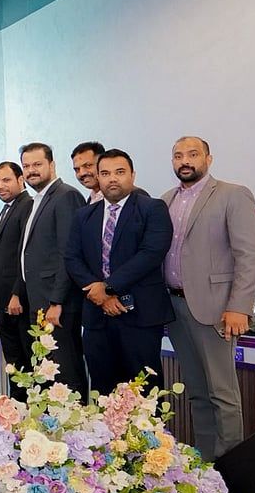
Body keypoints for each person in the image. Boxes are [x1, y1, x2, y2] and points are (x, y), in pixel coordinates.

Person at [162, 136, 255, 460]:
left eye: (193, 154)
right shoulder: (165, 200)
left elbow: (249, 256)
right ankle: (207, 467)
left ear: (208, 158)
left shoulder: (233, 194)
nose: (185, 161)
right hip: (176, 308)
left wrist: (239, 307)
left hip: (217, 309)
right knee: (197, 392)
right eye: (178, 155)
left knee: (222, 394)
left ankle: (231, 468)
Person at [64, 149, 173, 395]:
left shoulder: (152, 208)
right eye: (105, 173)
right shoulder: (83, 216)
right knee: (103, 392)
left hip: (139, 316)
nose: (112, 178)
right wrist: (99, 294)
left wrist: (108, 287)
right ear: (98, 178)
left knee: (143, 393)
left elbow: (150, 254)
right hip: (96, 317)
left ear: (132, 175)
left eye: (119, 172)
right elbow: (72, 258)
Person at [18, 143, 88, 398]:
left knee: (65, 372)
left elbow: (67, 253)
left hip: (56, 304)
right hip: (38, 300)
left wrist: (57, 302)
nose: (31, 170)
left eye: (37, 164)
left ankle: (75, 422)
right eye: (26, 166)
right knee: (48, 373)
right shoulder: (38, 200)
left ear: (52, 165)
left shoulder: (65, 196)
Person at [0, 162, 35, 400]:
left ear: (21, 179)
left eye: (6, 180)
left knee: (27, 360)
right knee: (14, 363)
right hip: (3, 302)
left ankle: (32, 411)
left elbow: (25, 254)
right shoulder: (7, 209)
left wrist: (17, 292)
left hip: (19, 302)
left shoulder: (27, 205)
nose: (1, 186)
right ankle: (18, 408)